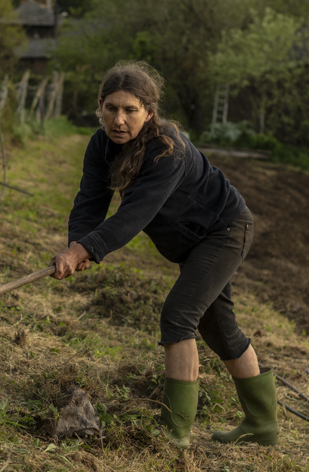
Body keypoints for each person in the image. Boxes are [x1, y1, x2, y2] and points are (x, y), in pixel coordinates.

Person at [50, 61, 279, 449]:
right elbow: (90, 201)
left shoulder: (166, 150)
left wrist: (85, 249)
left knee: (178, 317)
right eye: (112, 108)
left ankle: (174, 434)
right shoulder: (101, 145)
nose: (119, 119)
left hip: (224, 230)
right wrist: (80, 243)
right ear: (100, 105)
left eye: (130, 110)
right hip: (191, 242)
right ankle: (262, 424)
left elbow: (133, 215)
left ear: (149, 113)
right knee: (218, 328)